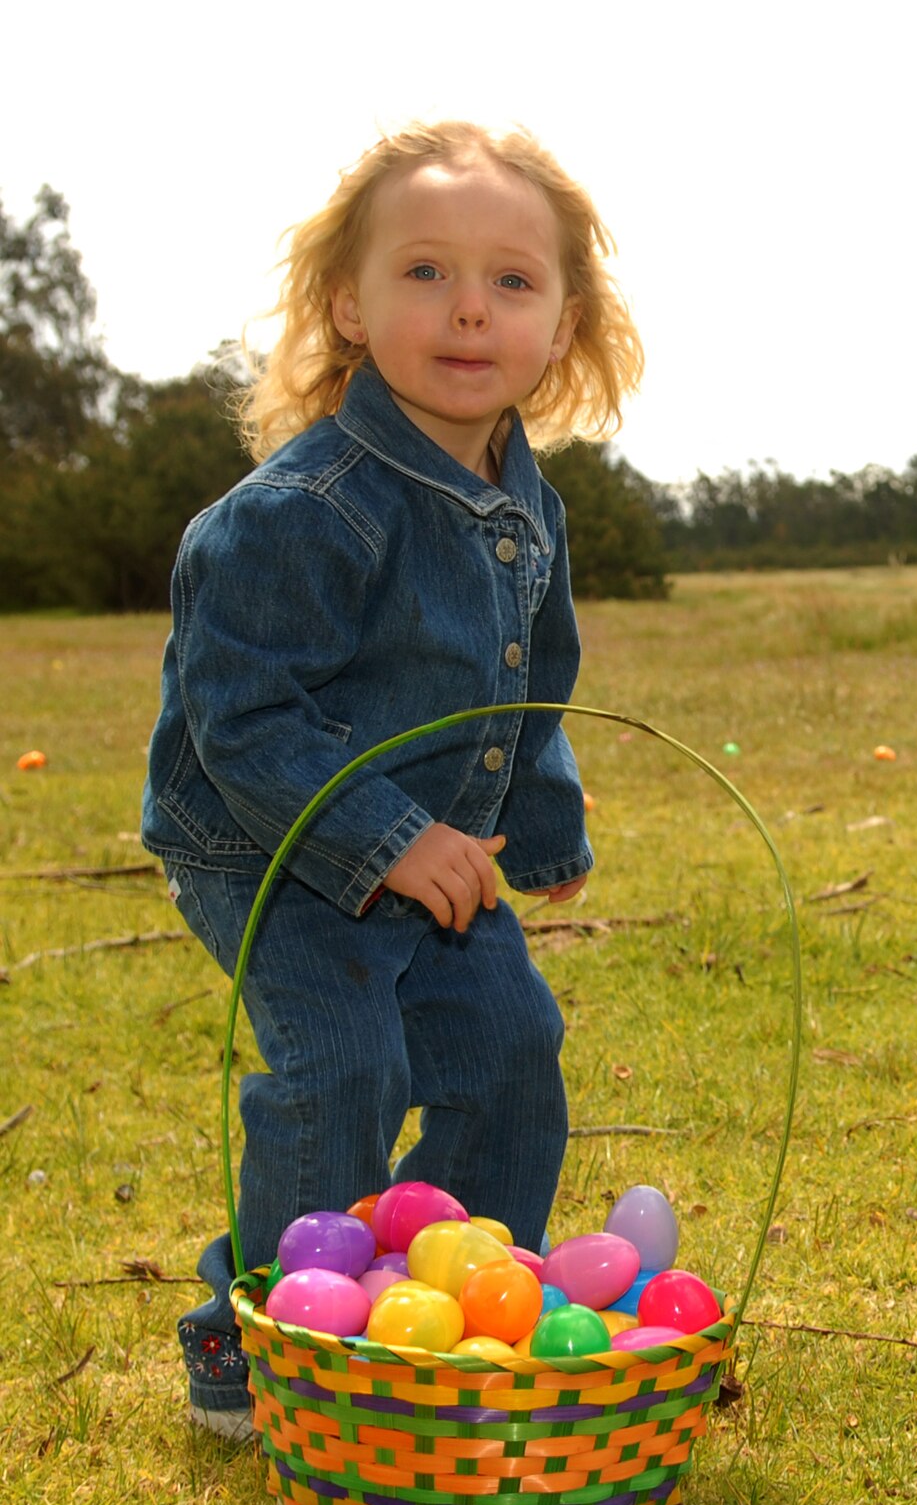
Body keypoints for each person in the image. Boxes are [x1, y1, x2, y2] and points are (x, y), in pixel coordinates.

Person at [143, 120, 643, 1438]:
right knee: (344, 1064)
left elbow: (534, 682)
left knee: (511, 1047)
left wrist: (540, 822)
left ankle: (467, 1304)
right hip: (268, 840)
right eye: (425, 272)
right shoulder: (303, 510)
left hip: (432, 850)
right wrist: (377, 835)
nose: (470, 307)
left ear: (563, 322)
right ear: (346, 305)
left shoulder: (527, 500)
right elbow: (242, 713)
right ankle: (259, 1322)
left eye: (512, 281)